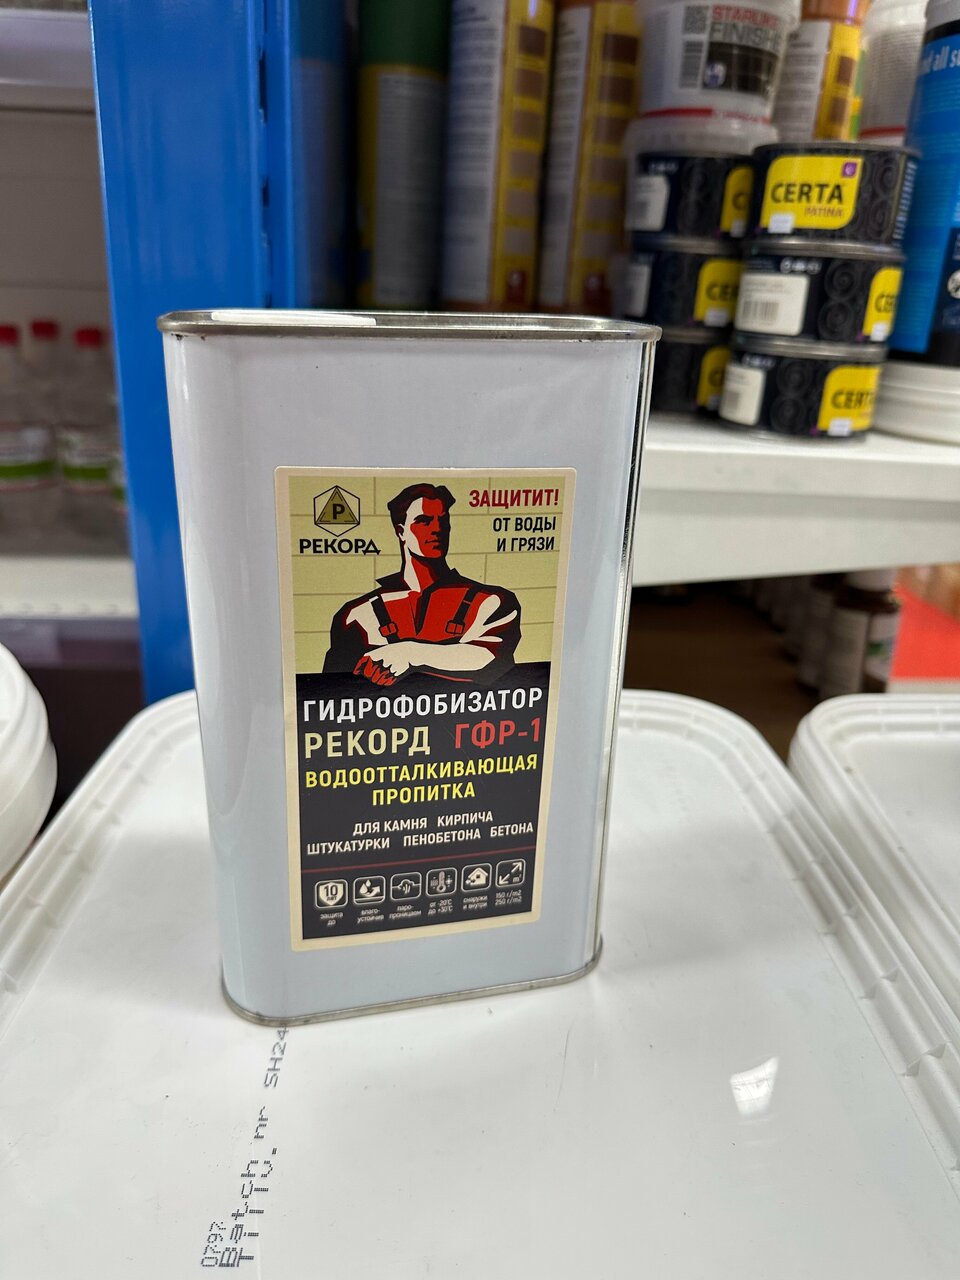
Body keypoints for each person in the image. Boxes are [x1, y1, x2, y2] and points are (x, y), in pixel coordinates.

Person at [323, 483, 521, 686]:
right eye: (424, 521)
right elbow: (331, 690)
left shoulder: (491, 602)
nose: (437, 530)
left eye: (443, 521)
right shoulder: (358, 615)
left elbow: (490, 659)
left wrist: (409, 653)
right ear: (401, 531)